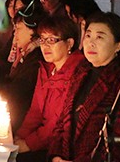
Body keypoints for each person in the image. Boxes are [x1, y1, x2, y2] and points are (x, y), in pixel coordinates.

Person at [49, 12, 120, 162]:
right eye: (88, 36)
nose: (91, 43)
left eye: (100, 37)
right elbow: (62, 122)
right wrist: (56, 156)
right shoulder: (81, 72)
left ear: (118, 45)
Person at [14, 16, 85, 162]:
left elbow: (56, 124)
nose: (45, 46)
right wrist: (19, 135)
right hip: (41, 139)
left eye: (51, 40)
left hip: (59, 147)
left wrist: (28, 144)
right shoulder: (46, 69)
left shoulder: (76, 74)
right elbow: (35, 111)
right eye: (42, 40)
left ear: (70, 43)